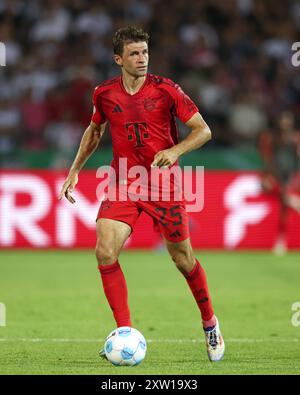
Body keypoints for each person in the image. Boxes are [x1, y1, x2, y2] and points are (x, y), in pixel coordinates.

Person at [59, 26, 225, 362]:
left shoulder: (166, 90)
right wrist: (75, 169)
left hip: (164, 185)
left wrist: (176, 151)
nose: (142, 59)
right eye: (134, 54)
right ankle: (124, 332)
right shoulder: (104, 93)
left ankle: (210, 323)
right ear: (118, 58)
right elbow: (94, 131)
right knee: (105, 251)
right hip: (123, 182)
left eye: (145, 52)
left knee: (183, 259)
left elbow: (203, 130)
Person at [259, 111, 300, 255]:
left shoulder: (295, 139)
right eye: (282, 121)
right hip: (276, 176)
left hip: (290, 176)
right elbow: (268, 159)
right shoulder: (273, 139)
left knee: (284, 210)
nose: (284, 124)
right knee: (266, 187)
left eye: (287, 121)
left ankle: (281, 240)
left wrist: (294, 180)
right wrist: (270, 175)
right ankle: (292, 201)